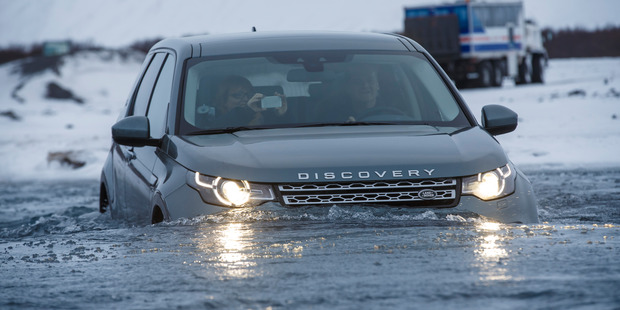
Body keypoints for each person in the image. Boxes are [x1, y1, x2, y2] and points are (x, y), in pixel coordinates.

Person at [198, 75, 287, 128]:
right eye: (238, 95)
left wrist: (280, 115)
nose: (245, 99)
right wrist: (248, 112)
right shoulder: (211, 122)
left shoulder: (263, 116)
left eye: (248, 95)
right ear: (223, 100)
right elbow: (220, 125)